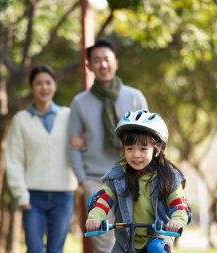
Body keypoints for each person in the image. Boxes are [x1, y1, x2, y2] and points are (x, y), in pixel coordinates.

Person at [68, 39, 148, 252]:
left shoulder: (134, 98)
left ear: (116, 62)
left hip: (131, 177)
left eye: (107, 59)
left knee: (134, 236)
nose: (103, 65)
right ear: (89, 66)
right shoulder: (79, 103)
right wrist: (82, 180)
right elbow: (73, 146)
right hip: (95, 179)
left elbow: (150, 140)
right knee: (103, 238)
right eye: (97, 60)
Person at [85, 110, 192, 253]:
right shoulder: (118, 174)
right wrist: (95, 218)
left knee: (157, 249)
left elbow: (179, 204)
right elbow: (103, 198)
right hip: (126, 239)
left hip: (158, 236)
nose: (136, 155)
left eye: (143, 149)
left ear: (157, 149)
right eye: (130, 148)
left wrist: (177, 221)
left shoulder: (169, 177)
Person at [5, 65, 80, 253]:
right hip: (33, 197)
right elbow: (14, 160)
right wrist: (21, 194)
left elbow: (82, 147)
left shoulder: (69, 115)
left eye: (48, 82)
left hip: (63, 196)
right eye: (38, 83)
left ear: (55, 85)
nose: (44, 87)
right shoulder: (20, 120)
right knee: (34, 249)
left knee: (56, 250)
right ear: (31, 87)